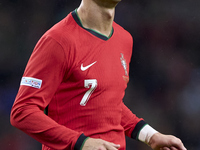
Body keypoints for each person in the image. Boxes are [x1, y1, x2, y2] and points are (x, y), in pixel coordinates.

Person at [10, 0, 187, 150]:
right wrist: (81, 142)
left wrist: (151, 135)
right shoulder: (57, 41)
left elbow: (108, 103)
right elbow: (22, 111)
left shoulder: (124, 40)